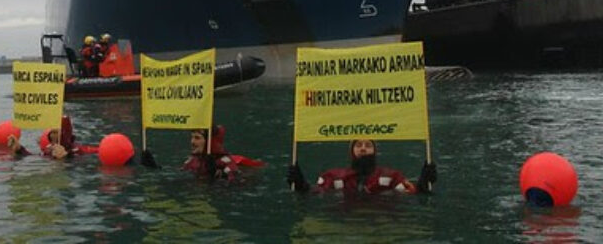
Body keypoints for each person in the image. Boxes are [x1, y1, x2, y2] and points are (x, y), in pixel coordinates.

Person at [287, 139, 437, 194]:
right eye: (358, 145)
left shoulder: (392, 177)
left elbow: (411, 193)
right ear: (352, 151)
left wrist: (424, 183)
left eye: (368, 145)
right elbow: (315, 192)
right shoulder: (334, 177)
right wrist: (301, 185)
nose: (363, 148)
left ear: (375, 151)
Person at [141, 125, 261, 181]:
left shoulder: (226, 163)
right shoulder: (193, 160)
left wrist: (214, 177)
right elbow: (177, 175)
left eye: (197, 138)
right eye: (192, 137)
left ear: (209, 142)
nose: (192, 142)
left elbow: (235, 187)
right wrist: (154, 168)